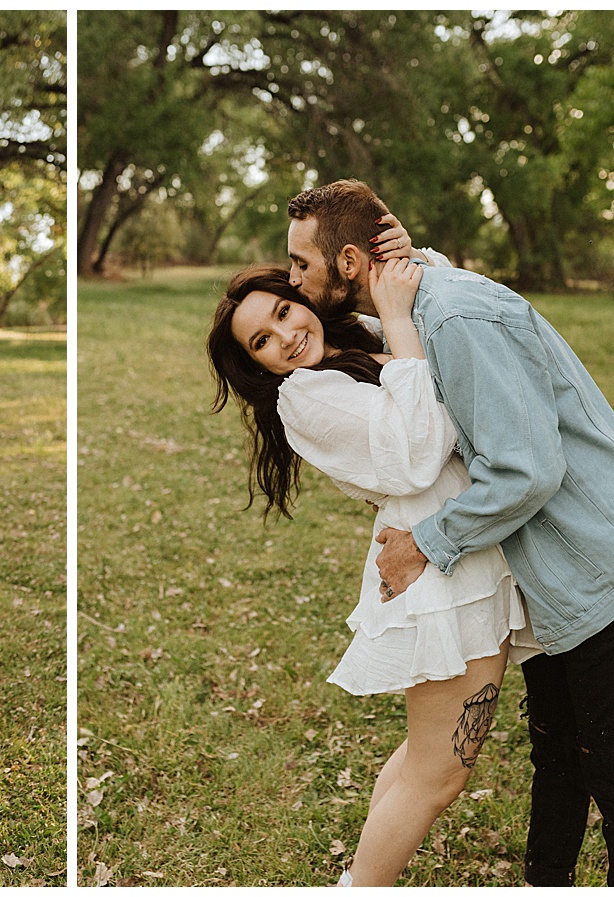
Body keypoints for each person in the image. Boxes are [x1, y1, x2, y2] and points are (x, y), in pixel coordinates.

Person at [285, 180, 614, 886]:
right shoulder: (422, 305)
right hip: (551, 576)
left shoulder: (453, 316)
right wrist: (415, 257)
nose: (293, 280)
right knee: (559, 757)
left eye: (301, 264)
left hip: (606, 566)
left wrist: (427, 542)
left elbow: (527, 471)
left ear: (348, 262)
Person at [208, 255, 541, 886]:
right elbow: (419, 451)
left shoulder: (352, 344)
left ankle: (357, 882)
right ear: (257, 366)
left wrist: (396, 290)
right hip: (439, 571)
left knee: (426, 760)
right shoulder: (305, 397)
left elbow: (421, 287)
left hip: (461, 551)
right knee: (439, 775)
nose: (286, 336)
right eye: (262, 341)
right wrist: (397, 321)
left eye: (284, 311)